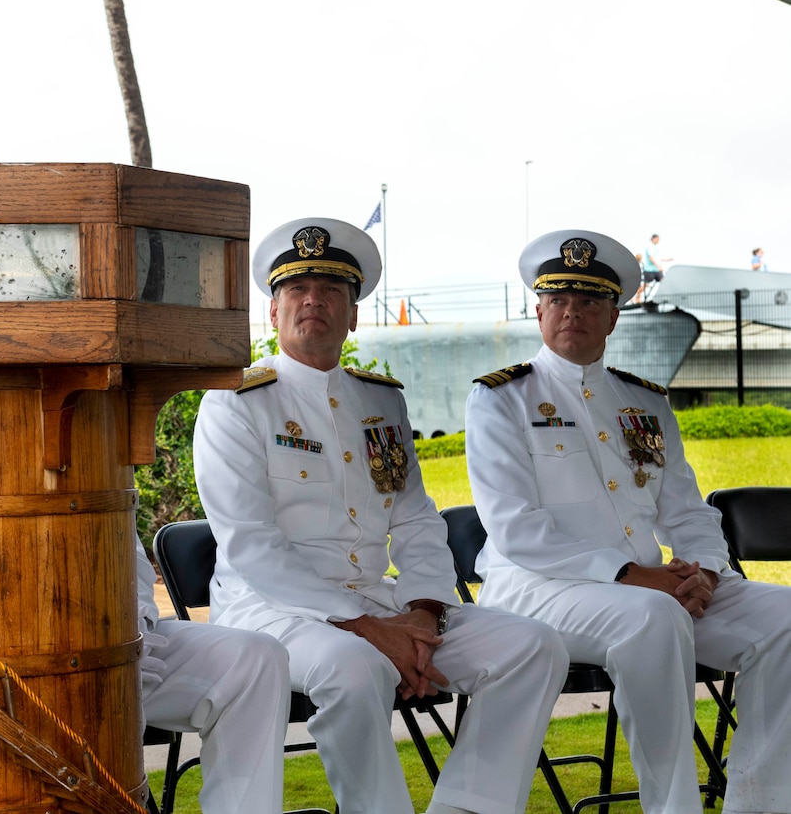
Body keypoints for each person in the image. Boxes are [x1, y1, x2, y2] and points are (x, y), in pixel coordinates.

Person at [194, 217, 568, 814]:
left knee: (533, 646)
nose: (313, 300)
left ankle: (469, 808)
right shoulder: (234, 404)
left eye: (332, 291)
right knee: (354, 668)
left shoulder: (380, 401)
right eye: (297, 290)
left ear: (353, 316)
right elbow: (251, 546)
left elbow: (416, 520)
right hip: (270, 611)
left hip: (381, 601)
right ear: (272, 312)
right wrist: (371, 631)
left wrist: (422, 613)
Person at [466, 228, 791, 814]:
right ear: (538, 311)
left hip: (654, 593)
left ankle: (761, 803)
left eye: (590, 301)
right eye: (559, 300)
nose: (573, 313)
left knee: (785, 617)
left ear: (613, 316)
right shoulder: (501, 399)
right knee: (655, 616)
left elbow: (688, 511)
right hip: (537, 590)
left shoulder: (645, 403)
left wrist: (707, 574)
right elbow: (515, 529)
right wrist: (638, 578)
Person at [135, 532, 291, 813]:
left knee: (257, 659)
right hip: (35, 663)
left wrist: (131, 622)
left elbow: (127, 553)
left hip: (131, 639)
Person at [641, 233, 670, 300]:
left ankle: (665, 297)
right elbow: (651, 258)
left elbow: (657, 258)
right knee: (646, 284)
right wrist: (658, 266)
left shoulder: (655, 247)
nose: (658, 240)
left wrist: (667, 260)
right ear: (654, 239)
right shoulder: (650, 247)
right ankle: (638, 296)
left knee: (663, 281)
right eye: (657, 239)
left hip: (657, 270)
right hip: (649, 270)